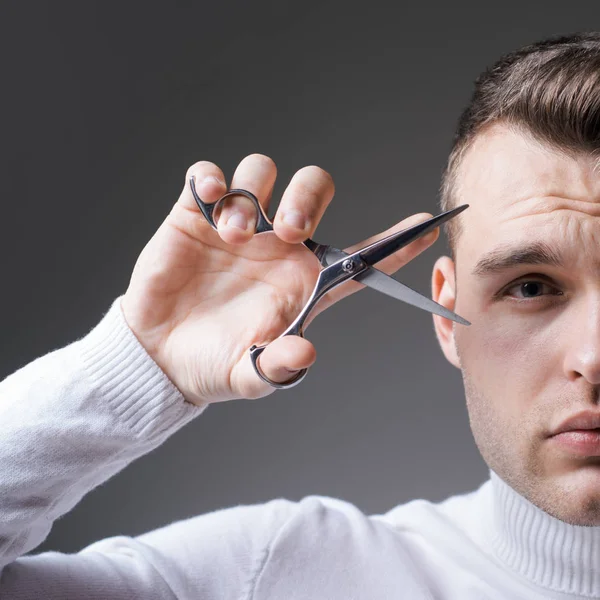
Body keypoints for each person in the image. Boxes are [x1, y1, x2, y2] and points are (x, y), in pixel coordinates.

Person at [2, 31, 600, 599]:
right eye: (529, 287)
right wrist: (135, 365)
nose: (592, 360)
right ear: (447, 316)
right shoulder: (270, 577)